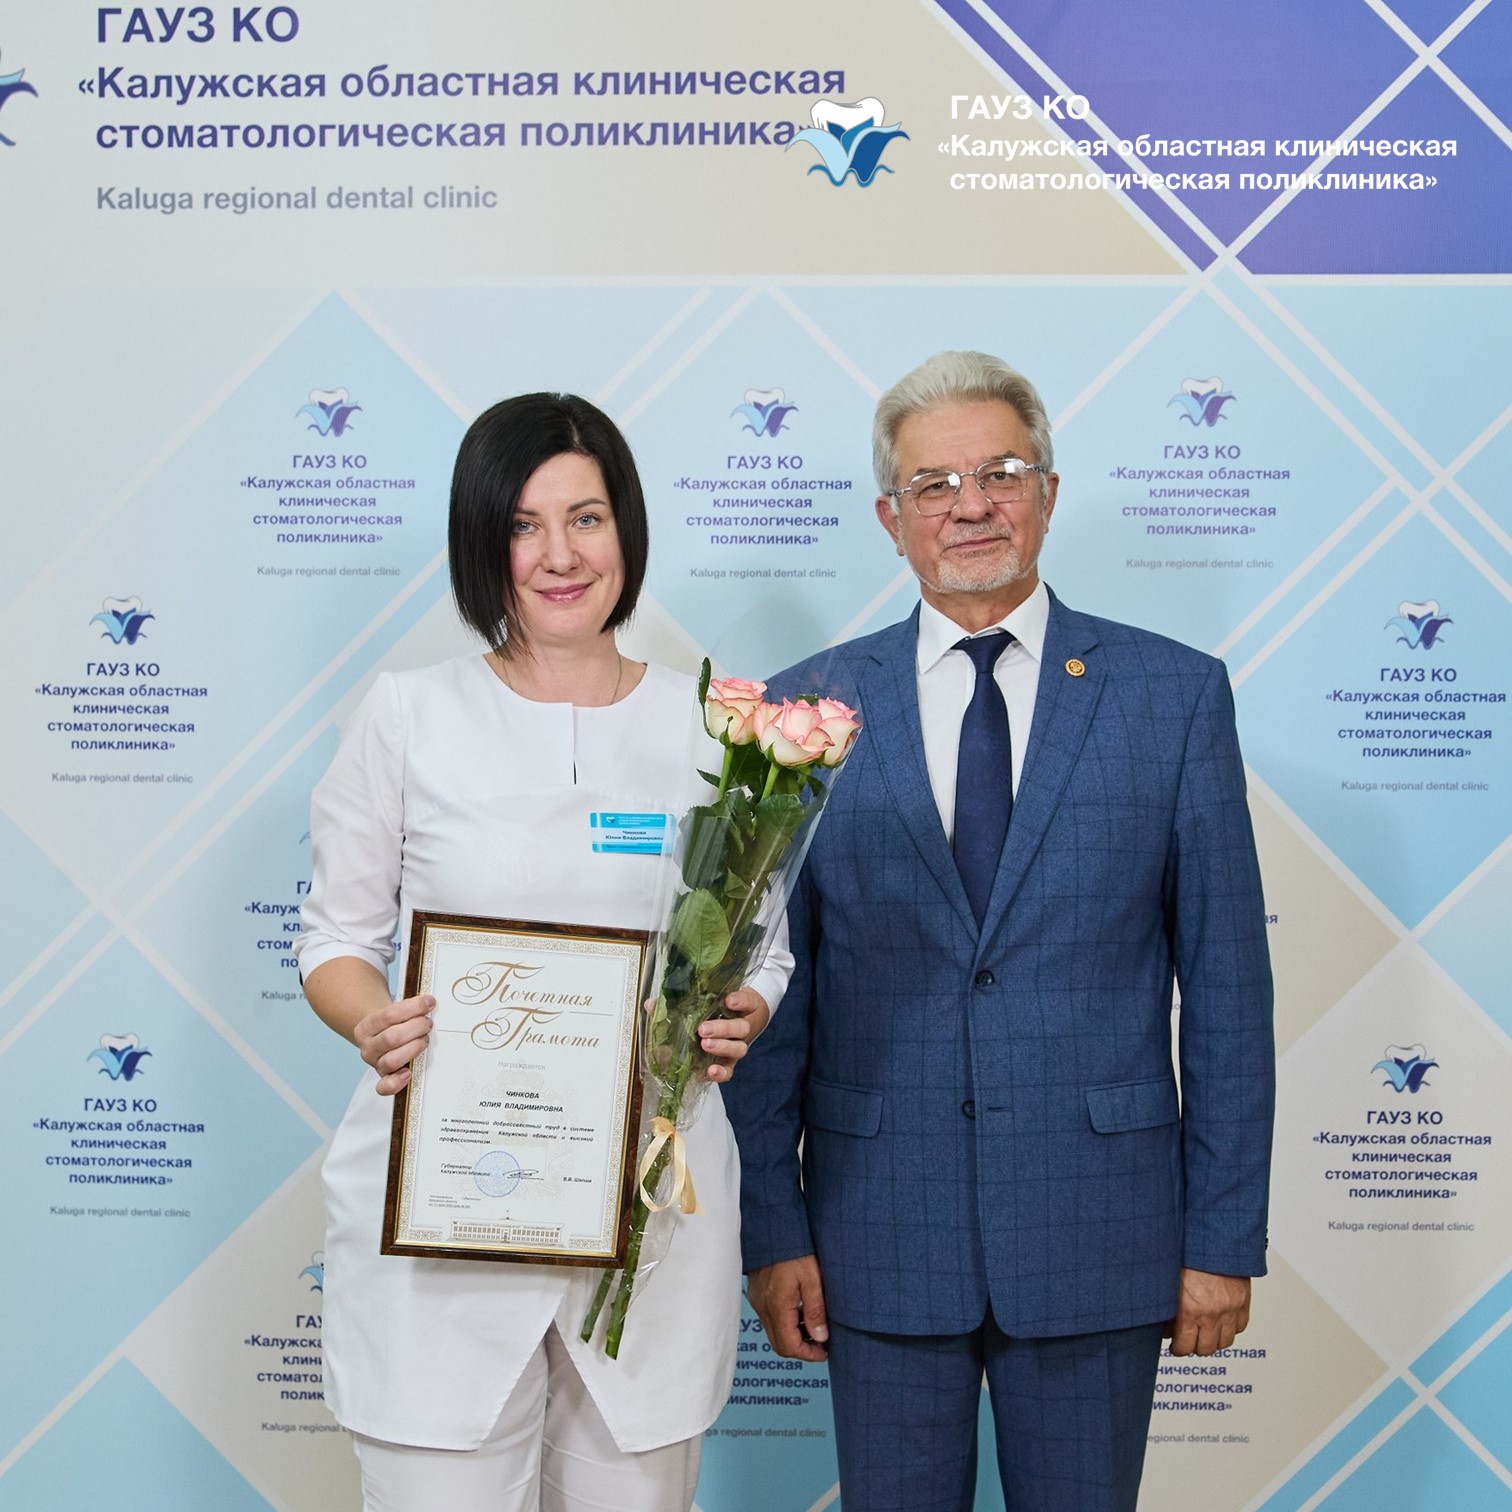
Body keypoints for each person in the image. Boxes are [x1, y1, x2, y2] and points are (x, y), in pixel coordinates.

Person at [723, 351, 1274, 1512]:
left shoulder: (1172, 697)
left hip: (1099, 1231)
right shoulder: (801, 711)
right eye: (934, 484)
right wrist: (772, 1228)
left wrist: (1221, 1238)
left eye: (1001, 474)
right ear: (892, 518)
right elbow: (771, 997)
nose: (970, 506)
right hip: (876, 1236)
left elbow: (1228, 992)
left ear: (1049, 493)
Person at [296, 392, 791, 1512]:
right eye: (524, 525)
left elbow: (766, 948)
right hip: (444, 1210)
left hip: (648, 1214)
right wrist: (373, 1017)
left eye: (587, 518)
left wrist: (745, 1008)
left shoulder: (717, 728)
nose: (560, 556)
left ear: (628, 529)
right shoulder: (408, 715)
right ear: (483, 542)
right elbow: (335, 939)